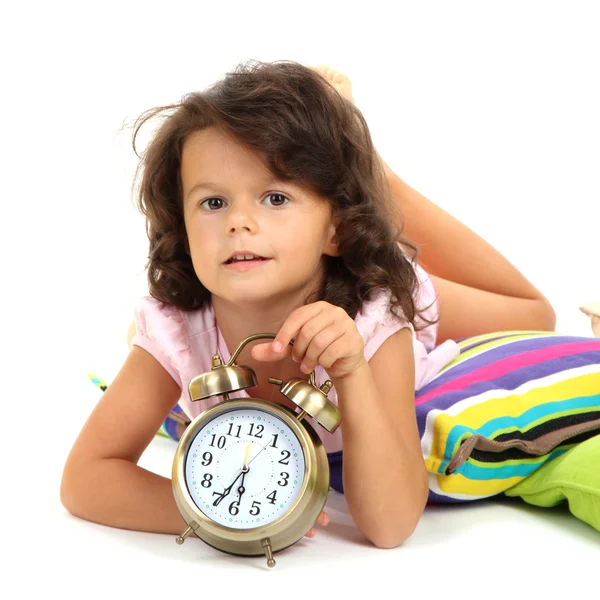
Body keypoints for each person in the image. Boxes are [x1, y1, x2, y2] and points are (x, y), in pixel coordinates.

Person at [60, 60, 556, 549]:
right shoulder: (175, 329)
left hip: (363, 275)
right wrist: (222, 517)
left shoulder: (375, 315)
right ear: (183, 229)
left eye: (274, 198)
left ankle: (372, 172)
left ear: (335, 228)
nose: (238, 222)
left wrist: (352, 370)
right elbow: (85, 479)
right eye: (213, 203)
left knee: (535, 315)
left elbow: (389, 526)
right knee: (142, 342)